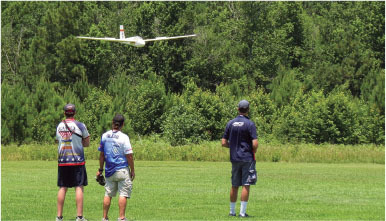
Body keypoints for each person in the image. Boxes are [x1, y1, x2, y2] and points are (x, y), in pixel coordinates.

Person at [221, 100, 258, 218]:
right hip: (247, 157)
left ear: (238, 109)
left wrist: (231, 146)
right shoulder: (250, 124)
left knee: (234, 184)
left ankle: (232, 212)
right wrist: (253, 150)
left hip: (234, 158)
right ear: (248, 110)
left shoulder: (230, 123)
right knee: (246, 184)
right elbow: (255, 143)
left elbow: (223, 142)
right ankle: (242, 213)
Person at [97, 114, 135, 221]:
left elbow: (101, 155)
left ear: (112, 123)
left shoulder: (105, 136)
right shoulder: (124, 137)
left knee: (108, 194)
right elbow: (129, 155)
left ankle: (104, 218)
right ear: (122, 124)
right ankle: (121, 218)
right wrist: (132, 170)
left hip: (109, 170)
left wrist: (100, 169)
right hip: (122, 169)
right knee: (123, 193)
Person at [56, 103, 90, 221]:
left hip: (63, 160)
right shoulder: (80, 125)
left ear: (64, 113)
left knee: (62, 187)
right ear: (75, 113)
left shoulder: (59, 126)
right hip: (77, 161)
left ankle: (59, 217)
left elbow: (58, 140)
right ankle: (79, 217)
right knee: (79, 187)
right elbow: (87, 143)